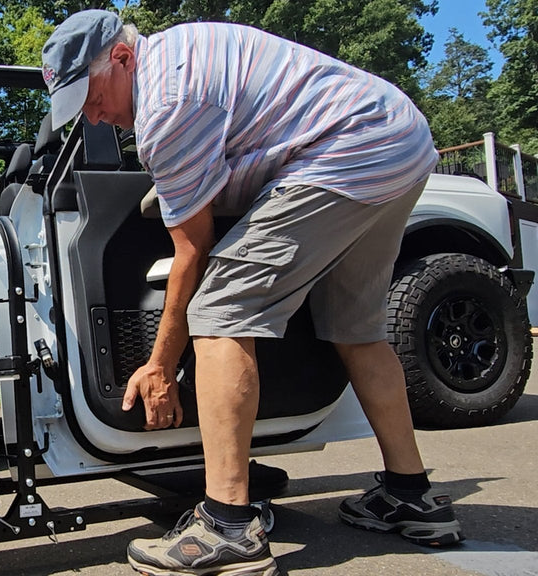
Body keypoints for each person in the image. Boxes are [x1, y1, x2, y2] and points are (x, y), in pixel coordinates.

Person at [41, 9, 463, 576]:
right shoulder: (184, 48)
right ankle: (411, 495)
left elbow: (193, 251)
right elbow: (257, 143)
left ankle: (228, 527)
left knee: (220, 311)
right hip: (399, 139)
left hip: (346, 150)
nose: (94, 116)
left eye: (91, 98)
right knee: (356, 327)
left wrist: (160, 365)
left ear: (121, 58)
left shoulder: (165, 107)